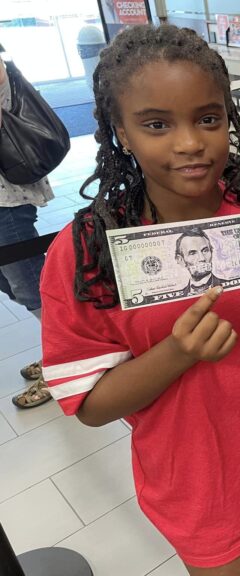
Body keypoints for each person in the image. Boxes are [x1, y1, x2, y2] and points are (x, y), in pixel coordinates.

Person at [39, 25, 240, 576]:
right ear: (121, 132)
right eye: (156, 124)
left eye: (208, 118)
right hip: (200, 484)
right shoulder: (87, 254)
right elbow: (90, 405)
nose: (190, 143)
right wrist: (178, 352)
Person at [0, 54, 59, 409]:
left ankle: (62, 363)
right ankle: (58, 352)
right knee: (14, 283)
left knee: (28, 284)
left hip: (7, 198)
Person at [175, 228, 224, 296]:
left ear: (211, 252)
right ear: (181, 260)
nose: (202, 258)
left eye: (205, 251)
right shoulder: (180, 295)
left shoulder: (228, 286)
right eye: (192, 253)